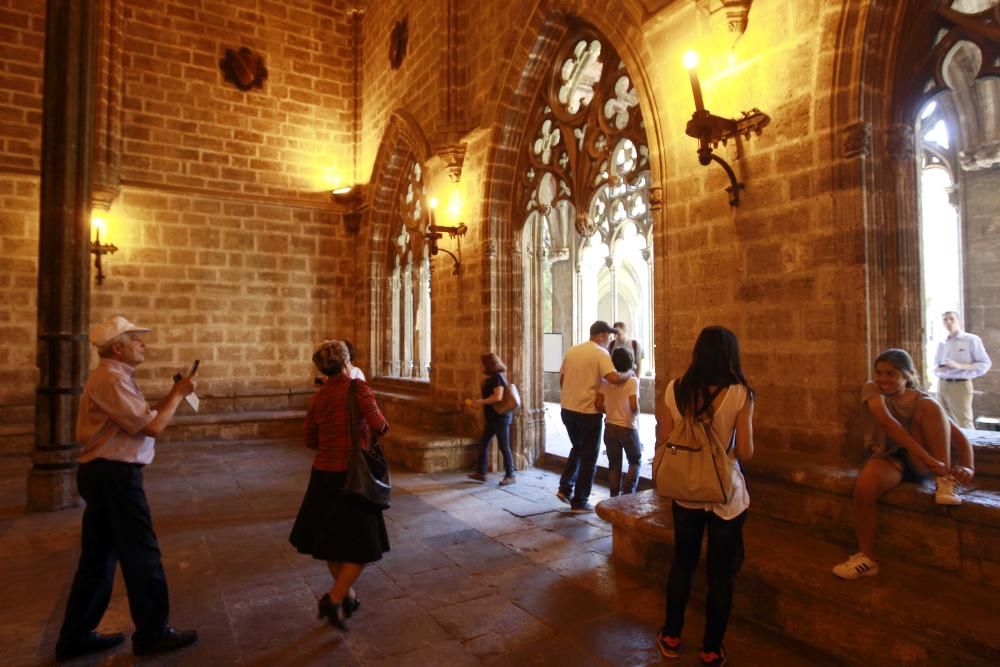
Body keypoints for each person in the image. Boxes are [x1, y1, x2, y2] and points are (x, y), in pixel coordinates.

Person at [56, 316, 200, 661]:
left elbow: (139, 420)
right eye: (136, 340)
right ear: (117, 347)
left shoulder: (115, 377)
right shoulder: (110, 379)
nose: (143, 345)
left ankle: (76, 637)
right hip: (114, 476)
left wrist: (172, 394)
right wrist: (178, 395)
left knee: (99, 558)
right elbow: (151, 427)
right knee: (141, 554)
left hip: (105, 473)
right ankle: (153, 634)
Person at [655, 326, 755, 667]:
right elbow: (747, 450)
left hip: (686, 493)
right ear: (731, 355)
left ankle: (671, 634)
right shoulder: (741, 394)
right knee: (720, 574)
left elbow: (666, 438)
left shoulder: (675, 389)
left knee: (682, 563)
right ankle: (711, 648)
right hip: (725, 495)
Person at [833, 348, 975, 580]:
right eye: (879, 372)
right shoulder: (873, 390)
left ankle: (946, 480)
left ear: (907, 375)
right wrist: (930, 459)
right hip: (891, 456)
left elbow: (958, 436)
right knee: (864, 488)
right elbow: (888, 424)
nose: (883, 379)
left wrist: (968, 467)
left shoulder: (922, 400)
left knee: (930, 406)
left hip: (922, 463)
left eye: (891, 373)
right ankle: (866, 557)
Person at [289, 340, 390, 630]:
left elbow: (310, 440)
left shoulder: (318, 397)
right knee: (363, 547)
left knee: (331, 545)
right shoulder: (357, 388)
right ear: (346, 362)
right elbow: (379, 424)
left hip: (323, 477)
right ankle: (333, 599)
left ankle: (348, 595)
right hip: (352, 478)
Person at [558, 320, 635, 513]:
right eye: (608, 336)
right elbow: (614, 378)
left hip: (567, 409)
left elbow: (562, 378)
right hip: (587, 412)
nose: (609, 339)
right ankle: (580, 501)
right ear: (600, 335)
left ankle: (565, 487)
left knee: (578, 447)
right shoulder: (600, 353)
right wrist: (630, 374)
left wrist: (571, 396)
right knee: (589, 456)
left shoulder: (573, 350)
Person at [595, 347, 642, 496]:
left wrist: (611, 411)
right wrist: (635, 413)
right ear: (630, 361)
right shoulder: (633, 380)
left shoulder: (605, 381)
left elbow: (598, 405)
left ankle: (614, 497)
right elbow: (634, 405)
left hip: (609, 426)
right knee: (635, 461)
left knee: (614, 465)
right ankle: (627, 495)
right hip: (627, 427)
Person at [465, 353, 516, 486]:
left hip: (500, 417)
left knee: (504, 446)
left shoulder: (497, 377)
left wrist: (481, 401)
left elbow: (498, 397)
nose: (480, 366)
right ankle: (481, 473)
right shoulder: (494, 377)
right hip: (494, 417)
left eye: (482, 363)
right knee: (483, 442)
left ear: (488, 365)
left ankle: (510, 475)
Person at [934, 311, 992, 429]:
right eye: (945, 320)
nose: (948, 322)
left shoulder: (971, 339)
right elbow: (935, 366)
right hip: (942, 384)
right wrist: (941, 368)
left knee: (963, 421)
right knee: (944, 421)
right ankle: (950, 447)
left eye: (952, 319)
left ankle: (970, 447)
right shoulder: (942, 342)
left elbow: (984, 364)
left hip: (960, 385)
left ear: (959, 321)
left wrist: (959, 366)